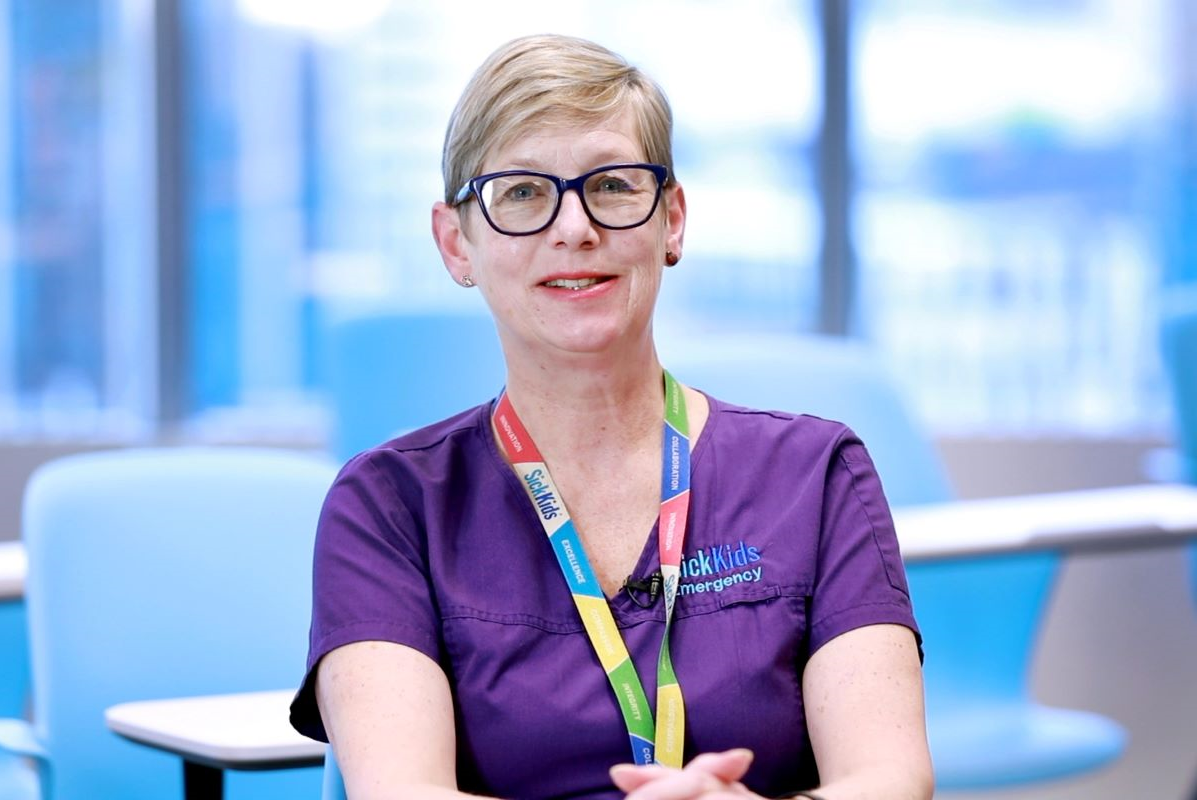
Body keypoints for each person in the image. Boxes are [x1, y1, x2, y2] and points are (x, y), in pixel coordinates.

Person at [290, 33, 933, 800]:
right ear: (455, 243)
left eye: (614, 185)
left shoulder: (817, 474)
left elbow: (890, 781)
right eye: (522, 192)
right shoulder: (389, 506)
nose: (574, 228)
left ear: (673, 221)